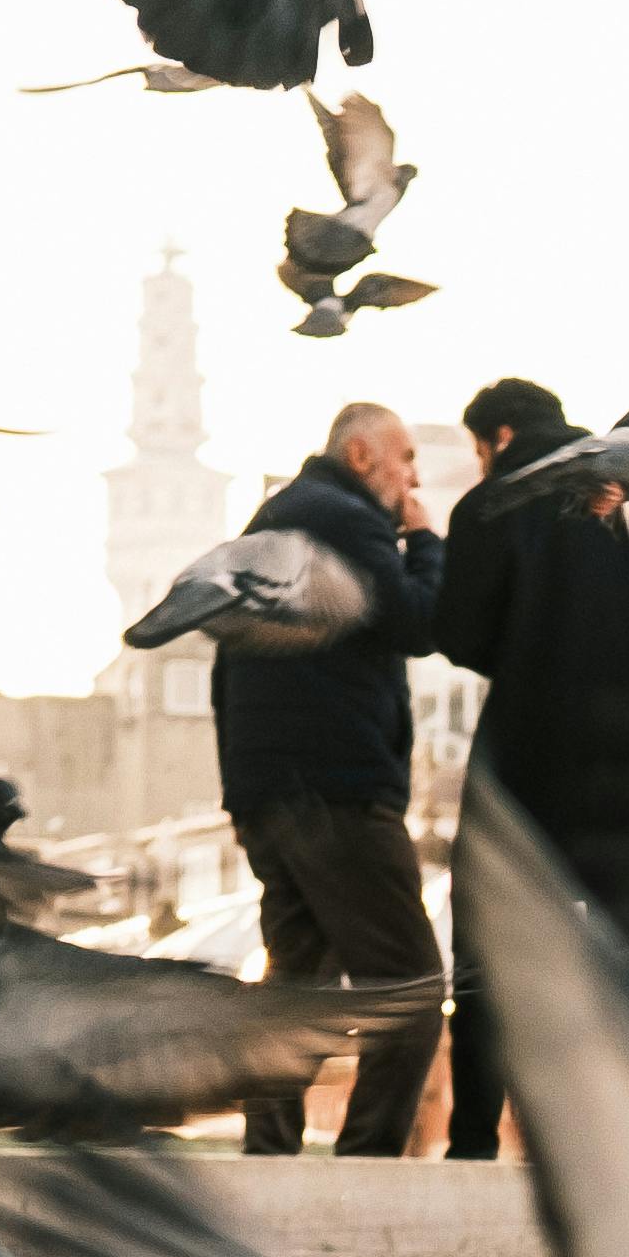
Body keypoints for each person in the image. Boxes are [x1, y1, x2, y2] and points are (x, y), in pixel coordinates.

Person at [211, 399, 446, 1156]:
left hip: (266, 791)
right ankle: (367, 1162)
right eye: (405, 459)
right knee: (409, 988)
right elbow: (417, 621)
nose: (413, 478)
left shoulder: (274, 520)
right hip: (335, 787)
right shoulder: (344, 520)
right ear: (360, 456)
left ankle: (269, 1157)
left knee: (295, 988)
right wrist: (425, 541)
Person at [439, 376, 629, 1157]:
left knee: (491, 947)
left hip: (526, 752)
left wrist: (524, 641)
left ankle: (472, 1141)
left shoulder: (488, 505)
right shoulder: (626, 488)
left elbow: (459, 635)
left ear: (494, 438)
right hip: (627, 754)